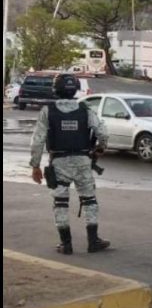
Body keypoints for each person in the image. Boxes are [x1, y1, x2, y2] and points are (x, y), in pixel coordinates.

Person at [29, 73, 109, 254]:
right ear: (75, 89)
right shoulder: (85, 109)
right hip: (83, 161)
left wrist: (35, 165)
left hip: (59, 163)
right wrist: (100, 149)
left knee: (60, 202)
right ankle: (93, 241)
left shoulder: (47, 111)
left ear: (55, 89)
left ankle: (66, 244)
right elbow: (102, 132)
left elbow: (37, 140)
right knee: (89, 200)